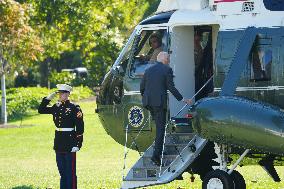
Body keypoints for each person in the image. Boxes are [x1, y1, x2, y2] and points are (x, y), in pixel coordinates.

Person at [140, 51, 192, 166]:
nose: (169, 60)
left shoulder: (148, 70)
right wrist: (183, 99)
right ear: (164, 59)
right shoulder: (167, 70)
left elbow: (142, 87)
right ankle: (156, 156)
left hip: (148, 103)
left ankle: (159, 150)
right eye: (168, 58)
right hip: (159, 104)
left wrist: (146, 99)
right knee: (160, 129)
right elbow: (171, 88)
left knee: (159, 126)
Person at [38, 84, 84, 189]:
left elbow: (80, 127)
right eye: (59, 93)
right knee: (62, 171)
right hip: (58, 142)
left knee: (70, 172)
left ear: (68, 94)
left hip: (70, 142)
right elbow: (41, 110)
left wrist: (78, 144)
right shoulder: (56, 107)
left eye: (62, 93)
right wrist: (49, 98)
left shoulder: (74, 108)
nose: (60, 95)